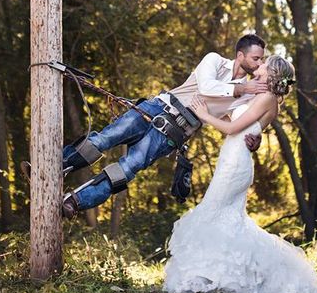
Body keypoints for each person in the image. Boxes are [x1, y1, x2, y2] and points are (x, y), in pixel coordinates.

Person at [163, 55, 317, 293]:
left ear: (271, 73)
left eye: (263, 64)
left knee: (212, 212)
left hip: (236, 164)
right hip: (232, 158)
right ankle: (217, 275)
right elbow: (236, 121)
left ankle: (211, 275)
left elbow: (231, 129)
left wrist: (202, 114)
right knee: (227, 220)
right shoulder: (258, 96)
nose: (257, 67)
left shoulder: (268, 99)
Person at [61, 34, 267, 218]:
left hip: (173, 132)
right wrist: (240, 88)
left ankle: (75, 201)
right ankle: (58, 165)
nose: (259, 64)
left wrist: (253, 136)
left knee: (129, 168)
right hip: (155, 107)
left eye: (261, 59)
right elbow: (206, 86)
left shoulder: (248, 93)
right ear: (240, 55)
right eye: (255, 58)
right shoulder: (215, 60)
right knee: (103, 139)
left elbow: (240, 119)